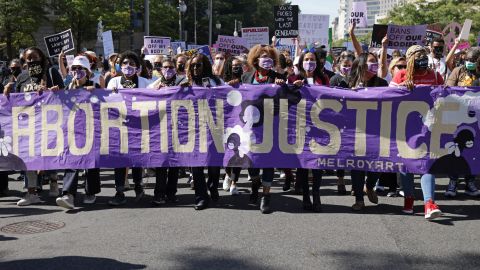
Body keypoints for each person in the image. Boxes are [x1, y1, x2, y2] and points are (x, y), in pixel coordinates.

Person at [390, 45, 444, 220]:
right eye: (418, 56)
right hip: (405, 127)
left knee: (427, 164)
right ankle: (409, 199)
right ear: (409, 58)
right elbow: (386, 97)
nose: (423, 58)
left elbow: (446, 95)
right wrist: (402, 89)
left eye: (424, 55)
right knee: (407, 165)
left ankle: (429, 203)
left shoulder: (434, 75)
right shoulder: (401, 75)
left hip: (429, 127)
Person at [12, 46, 64, 206]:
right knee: (28, 158)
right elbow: (16, 100)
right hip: (27, 125)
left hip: (49, 122)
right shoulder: (22, 77)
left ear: (42, 58)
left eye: (35, 57)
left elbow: (65, 95)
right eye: (29, 59)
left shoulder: (51, 72)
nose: (32, 61)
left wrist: (53, 91)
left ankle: (54, 182)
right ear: (24, 61)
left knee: (49, 154)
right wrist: (8, 90)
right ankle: (31, 192)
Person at [241, 44, 286, 214]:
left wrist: (283, 85)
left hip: (271, 125)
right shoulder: (246, 77)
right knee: (251, 160)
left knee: (268, 161)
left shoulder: (277, 77)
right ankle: (254, 183)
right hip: (251, 126)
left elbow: (287, 97)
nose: (266, 59)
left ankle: (266, 195)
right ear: (255, 59)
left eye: (269, 57)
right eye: (262, 56)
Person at [54, 56, 102, 209]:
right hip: (73, 131)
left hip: (91, 130)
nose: (77, 71)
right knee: (72, 161)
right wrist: (55, 92)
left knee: (91, 162)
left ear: (87, 72)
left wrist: (96, 92)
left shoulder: (94, 85)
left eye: (80, 69)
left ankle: (90, 191)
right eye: (74, 69)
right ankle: (68, 195)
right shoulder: (67, 87)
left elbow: (107, 103)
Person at [106, 50, 149, 206]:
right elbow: (108, 101)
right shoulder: (114, 82)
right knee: (120, 160)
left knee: (136, 158)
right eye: (124, 63)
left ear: (138, 67)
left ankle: (138, 186)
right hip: (119, 126)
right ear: (120, 66)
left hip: (138, 126)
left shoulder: (145, 82)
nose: (128, 66)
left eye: (132, 63)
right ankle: (119, 191)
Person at [347, 52, 388, 211]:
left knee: (376, 166)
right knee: (357, 165)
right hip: (354, 131)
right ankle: (359, 199)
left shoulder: (382, 83)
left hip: (377, 132)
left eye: (376, 62)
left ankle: (369, 186)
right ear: (362, 64)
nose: (375, 65)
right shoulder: (348, 82)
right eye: (371, 62)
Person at [290, 51, 330, 212]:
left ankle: (316, 194)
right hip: (300, 126)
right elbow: (288, 99)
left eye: (312, 59)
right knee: (303, 164)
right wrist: (294, 88)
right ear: (301, 63)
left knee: (317, 163)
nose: (309, 62)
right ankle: (306, 196)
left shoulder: (323, 79)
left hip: (319, 126)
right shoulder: (294, 79)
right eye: (306, 59)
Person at [184, 53, 223, 210]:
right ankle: (201, 197)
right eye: (192, 66)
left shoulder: (216, 81)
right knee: (196, 164)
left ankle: (213, 185)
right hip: (194, 129)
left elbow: (226, 97)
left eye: (198, 65)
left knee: (213, 164)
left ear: (205, 66)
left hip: (214, 128)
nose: (195, 68)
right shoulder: (186, 83)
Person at [147, 58, 186, 205]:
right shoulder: (155, 85)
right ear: (161, 69)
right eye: (165, 67)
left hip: (178, 128)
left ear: (175, 69)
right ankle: (159, 193)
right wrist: (155, 91)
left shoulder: (182, 82)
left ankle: (171, 193)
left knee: (175, 164)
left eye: (170, 67)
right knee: (161, 163)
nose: (168, 70)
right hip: (160, 129)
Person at [444, 47, 480, 198]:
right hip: (458, 117)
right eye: (468, 60)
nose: (469, 63)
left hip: (476, 118)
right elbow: (448, 89)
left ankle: (470, 182)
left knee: (474, 150)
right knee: (457, 149)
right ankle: (452, 182)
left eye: (473, 61)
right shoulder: (458, 71)